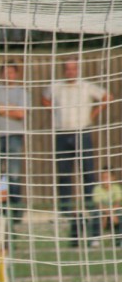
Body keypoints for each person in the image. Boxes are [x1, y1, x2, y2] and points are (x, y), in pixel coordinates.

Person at [42, 58, 113, 246]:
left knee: (88, 174)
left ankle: (93, 215)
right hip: (62, 132)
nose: (70, 71)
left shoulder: (86, 86)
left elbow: (107, 96)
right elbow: (44, 98)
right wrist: (55, 113)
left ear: (77, 70)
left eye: (73, 68)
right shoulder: (56, 86)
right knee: (64, 175)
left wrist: (92, 115)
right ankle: (67, 213)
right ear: (64, 70)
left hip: (82, 132)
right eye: (68, 68)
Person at [0, 61, 28, 221]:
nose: (8, 75)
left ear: (16, 74)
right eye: (5, 72)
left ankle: (16, 213)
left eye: (11, 72)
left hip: (14, 135)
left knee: (13, 174)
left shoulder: (22, 92)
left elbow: (21, 114)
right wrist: (11, 108)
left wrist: (2, 108)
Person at [91, 168, 122, 246]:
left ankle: (119, 240)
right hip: (103, 212)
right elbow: (98, 204)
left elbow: (118, 203)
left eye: (107, 177)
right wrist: (108, 213)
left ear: (113, 178)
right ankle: (96, 239)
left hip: (114, 212)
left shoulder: (116, 188)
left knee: (120, 214)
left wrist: (111, 213)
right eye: (103, 178)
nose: (104, 180)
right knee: (96, 214)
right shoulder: (97, 188)